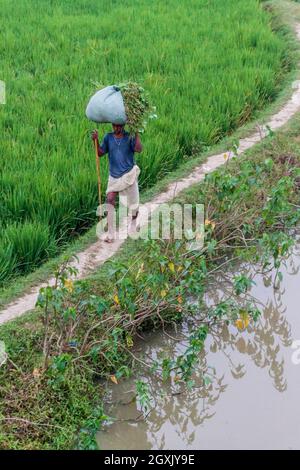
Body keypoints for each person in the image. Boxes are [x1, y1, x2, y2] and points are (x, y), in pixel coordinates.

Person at [91, 124, 143, 242]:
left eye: (119, 126)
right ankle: (110, 233)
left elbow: (139, 149)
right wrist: (95, 140)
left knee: (133, 204)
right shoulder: (108, 137)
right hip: (114, 176)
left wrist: (136, 133)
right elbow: (100, 153)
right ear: (112, 125)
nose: (117, 128)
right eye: (115, 125)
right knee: (109, 200)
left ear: (123, 125)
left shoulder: (129, 137)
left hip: (129, 174)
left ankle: (133, 224)